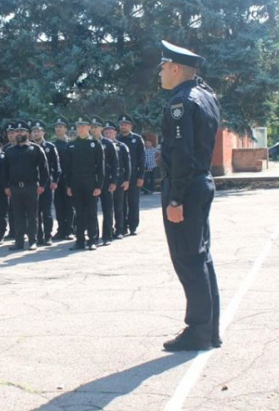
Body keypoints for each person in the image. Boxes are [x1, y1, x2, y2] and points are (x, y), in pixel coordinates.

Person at [158, 40, 221, 351]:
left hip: (185, 186)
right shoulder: (206, 97)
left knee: (188, 259)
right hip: (200, 182)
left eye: (162, 67)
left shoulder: (181, 102)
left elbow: (181, 153)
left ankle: (198, 331)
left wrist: (175, 199)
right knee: (201, 256)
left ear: (175, 68)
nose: (159, 73)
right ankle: (209, 329)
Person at [2, 121, 49, 251]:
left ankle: (33, 241)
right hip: (15, 188)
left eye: (22, 131)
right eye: (17, 131)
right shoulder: (10, 151)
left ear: (27, 133)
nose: (19, 133)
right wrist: (6, 186)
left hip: (31, 186)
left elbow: (44, 169)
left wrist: (42, 185)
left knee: (32, 215)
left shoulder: (35, 149)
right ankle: (19, 242)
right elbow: (4, 171)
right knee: (18, 216)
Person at [65, 116, 104, 250]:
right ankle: (80, 240)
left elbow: (100, 166)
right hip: (76, 182)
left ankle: (92, 240)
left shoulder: (95, 143)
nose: (80, 129)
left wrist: (99, 186)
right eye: (78, 126)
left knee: (91, 212)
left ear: (89, 127)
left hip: (91, 181)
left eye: (83, 126)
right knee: (79, 213)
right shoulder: (71, 144)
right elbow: (67, 167)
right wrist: (68, 185)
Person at [30, 120, 60, 246]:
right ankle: (38, 236)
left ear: (43, 132)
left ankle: (48, 236)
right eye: (34, 131)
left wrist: (55, 180)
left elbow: (56, 165)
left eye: (38, 131)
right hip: (33, 184)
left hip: (47, 184)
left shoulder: (50, 147)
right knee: (34, 212)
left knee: (46, 212)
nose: (36, 133)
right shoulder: (29, 147)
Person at [91, 116, 118, 246]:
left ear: (101, 128)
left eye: (96, 127)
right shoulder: (87, 142)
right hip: (92, 181)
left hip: (106, 181)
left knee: (107, 209)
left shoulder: (108, 143)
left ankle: (107, 235)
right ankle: (93, 236)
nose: (94, 129)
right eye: (92, 126)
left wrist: (114, 181)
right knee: (91, 210)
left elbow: (114, 164)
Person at [117, 114, 145, 235]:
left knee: (133, 202)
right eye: (122, 124)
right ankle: (122, 226)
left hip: (134, 175)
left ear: (131, 126)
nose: (123, 126)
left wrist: (141, 177)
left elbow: (142, 159)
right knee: (121, 202)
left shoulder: (137, 139)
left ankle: (133, 226)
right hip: (121, 176)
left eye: (126, 124)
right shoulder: (116, 139)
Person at [103, 121, 131, 240]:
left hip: (119, 179)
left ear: (115, 132)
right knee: (107, 208)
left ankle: (120, 229)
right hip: (105, 180)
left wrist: (127, 180)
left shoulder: (121, 146)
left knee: (119, 206)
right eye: (106, 132)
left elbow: (127, 164)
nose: (108, 133)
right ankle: (108, 231)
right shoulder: (101, 144)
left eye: (110, 131)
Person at [52, 116, 75, 240]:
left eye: (60, 126)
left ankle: (70, 230)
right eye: (56, 126)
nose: (58, 129)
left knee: (69, 206)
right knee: (58, 205)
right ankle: (61, 229)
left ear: (65, 129)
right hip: (57, 180)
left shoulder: (70, 144)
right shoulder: (53, 145)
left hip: (68, 179)